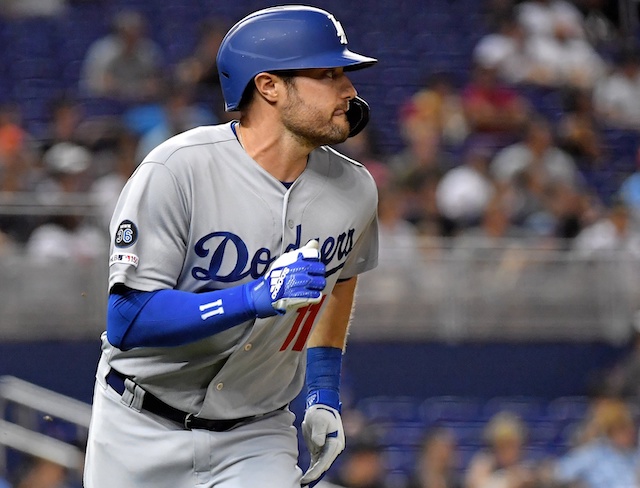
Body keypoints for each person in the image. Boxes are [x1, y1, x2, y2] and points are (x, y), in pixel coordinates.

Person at [83, 6, 379, 488]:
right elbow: (127, 318)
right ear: (269, 87)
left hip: (257, 435)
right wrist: (251, 297)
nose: (349, 89)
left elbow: (340, 283)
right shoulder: (177, 169)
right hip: (138, 427)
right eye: (328, 74)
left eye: (344, 73)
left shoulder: (356, 190)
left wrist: (323, 390)